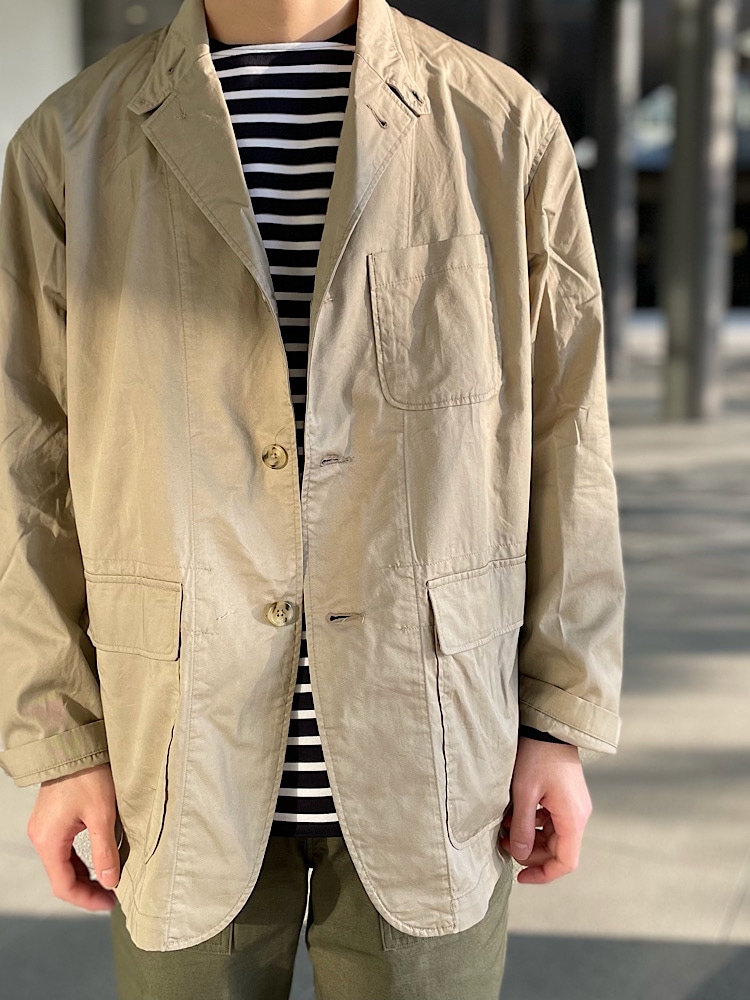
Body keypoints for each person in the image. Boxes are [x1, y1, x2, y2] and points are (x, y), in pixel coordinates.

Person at [0, 0, 625, 996]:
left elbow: (568, 443)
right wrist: (60, 736)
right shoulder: (70, 143)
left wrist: (558, 721)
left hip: (432, 749)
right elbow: (25, 462)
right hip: (174, 756)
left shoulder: (502, 127)